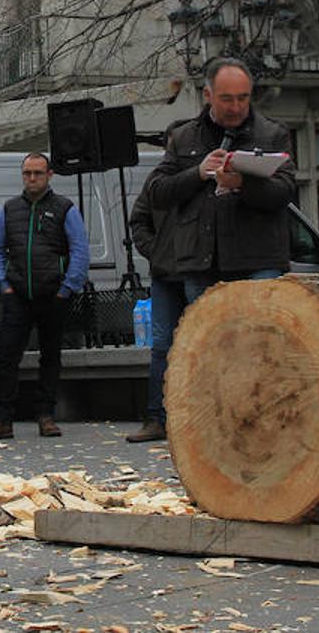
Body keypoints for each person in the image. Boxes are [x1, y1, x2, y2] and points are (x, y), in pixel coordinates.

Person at [147, 57, 295, 304]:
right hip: (202, 266)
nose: (236, 107)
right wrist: (198, 173)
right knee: (208, 329)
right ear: (208, 95)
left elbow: (286, 191)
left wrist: (241, 183)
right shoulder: (184, 137)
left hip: (259, 261)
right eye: (227, 99)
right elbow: (157, 193)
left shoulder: (273, 134)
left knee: (257, 329)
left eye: (243, 98)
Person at [0, 153, 89, 440]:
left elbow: (79, 250)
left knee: (50, 356)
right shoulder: (9, 208)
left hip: (53, 295)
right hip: (16, 294)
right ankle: (2, 419)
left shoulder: (65, 208)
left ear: (49, 175)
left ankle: (46, 416)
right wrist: (3, 284)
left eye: (37, 173)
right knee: (6, 357)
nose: (32, 178)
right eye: (27, 173)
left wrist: (67, 288)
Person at [124, 122, 189, 443]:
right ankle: (156, 417)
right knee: (162, 346)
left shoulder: (206, 176)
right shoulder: (157, 180)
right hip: (167, 273)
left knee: (204, 343)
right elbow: (138, 220)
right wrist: (158, 251)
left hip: (199, 271)